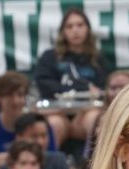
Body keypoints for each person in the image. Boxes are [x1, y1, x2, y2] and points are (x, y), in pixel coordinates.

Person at [33, 11, 110, 147]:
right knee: (54, 124)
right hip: (58, 112)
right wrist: (81, 88)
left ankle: (97, 165)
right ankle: (47, 165)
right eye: (69, 26)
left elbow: (103, 89)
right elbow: (44, 83)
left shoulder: (98, 58)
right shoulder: (50, 56)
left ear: (88, 29)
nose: (75, 30)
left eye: (80, 25)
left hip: (85, 112)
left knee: (95, 120)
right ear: (63, 31)